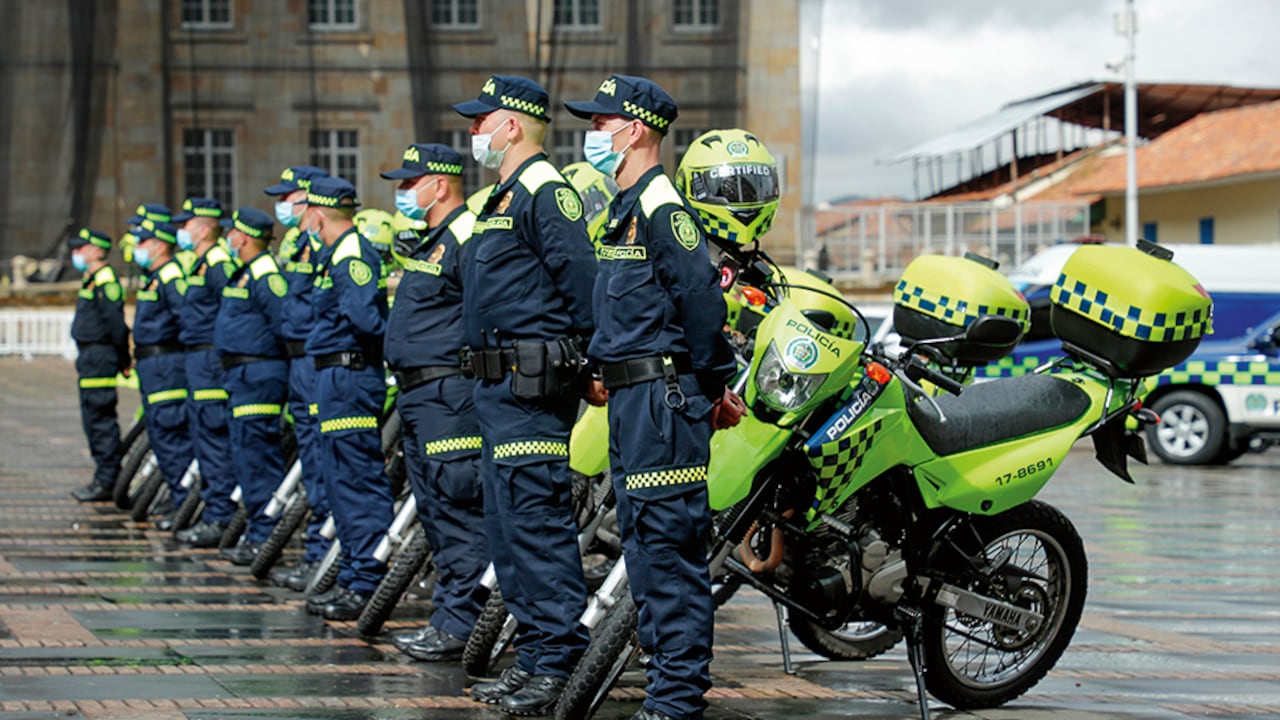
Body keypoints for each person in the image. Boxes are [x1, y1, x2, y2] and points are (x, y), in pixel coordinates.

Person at [565, 74, 745, 720]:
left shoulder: (663, 207)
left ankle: (676, 698)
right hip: (632, 400)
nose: (593, 134)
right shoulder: (626, 207)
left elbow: (702, 301)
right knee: (642, 545)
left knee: (668, 550)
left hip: (663, 403)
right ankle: (665, 684)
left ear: (634, 128)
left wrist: (713, 384)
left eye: (599, 123)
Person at [452, 74, 598, 715]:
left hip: (533, 387)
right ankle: (536, 657)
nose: (474, 132)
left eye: (482, 121)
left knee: (536, 530)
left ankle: (559, 661)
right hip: (497, 389)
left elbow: (584, 288)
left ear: (511, 125)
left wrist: (592, 365)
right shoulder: (499, 197)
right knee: (508, 533)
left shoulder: (544, 192)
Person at [378, 143, 487, 662]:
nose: (402, 193)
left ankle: (460, 623)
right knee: (437, 513)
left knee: (458, 506)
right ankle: (448, 618)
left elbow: (485, 310)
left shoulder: (466, 236)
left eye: (408, 183)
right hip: (421, 395)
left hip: (449, 394)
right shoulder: (431, 241)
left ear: (438, 185)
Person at [299, 177, 394, 621]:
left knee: (356, 482)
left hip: (350, 375)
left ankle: (366, 580)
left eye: (304, 210)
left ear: (317, 214)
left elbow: (367, 321)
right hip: (335, 376)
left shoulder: (352, 253)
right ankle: (355, 572)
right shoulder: (335, 253)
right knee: (340, 480)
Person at [263, 165, 334, 591]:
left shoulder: (325, 245)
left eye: (289, 197)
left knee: (324, 464)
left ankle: (323, 556)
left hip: (315, 360)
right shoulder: (298, 241)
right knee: (311, 462)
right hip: (297, 362)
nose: (283, 205)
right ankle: (314, 552)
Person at [214, 208, 291, 565]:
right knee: (246, 456)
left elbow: (283, 326)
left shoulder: (264, 273)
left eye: (232, 233)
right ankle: (257, 531)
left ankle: (266, 535)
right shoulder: (244, 273)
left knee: (258, 459)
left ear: (242, 237)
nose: (228, 238)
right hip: (241, 378)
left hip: (258, 377)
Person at [170, 198, 239, 546]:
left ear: (203, 228)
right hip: (197, 360)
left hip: (211, 361)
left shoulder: (217, 263)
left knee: (215, 440)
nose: (181, 231)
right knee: (204, 437)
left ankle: (220, 517)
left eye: (186, 224)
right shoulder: (199, 264)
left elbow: (229, 313)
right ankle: (213, 512)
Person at [130, 218, 195, 530]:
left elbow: (186, 320)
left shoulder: (170, 275)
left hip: (167, 366)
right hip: (151, 366)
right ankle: (175, 497)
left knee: (172, 436)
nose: (137, 248)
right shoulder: (153, 276)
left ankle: (184, 504)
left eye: (142, 242)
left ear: (158, 245)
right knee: (160, 434)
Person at [68, 229, 132, 502]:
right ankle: (103, 476)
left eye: (82, 248)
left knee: (100, 420)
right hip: (90, 357)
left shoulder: (105, 280)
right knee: (92, 418)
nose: (76, 253)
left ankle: (108, 480)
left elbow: (115, 325)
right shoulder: (92, 279)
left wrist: (123, 358)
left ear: (96, 251)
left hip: (100, 357)